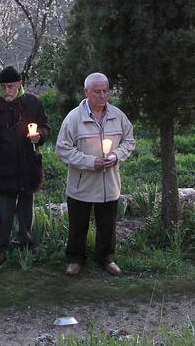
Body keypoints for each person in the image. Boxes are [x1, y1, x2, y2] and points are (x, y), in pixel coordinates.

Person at [55, 72, 136, 277]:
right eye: (97, 91)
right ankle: (75, 259)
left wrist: (116, 156)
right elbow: (63, 149)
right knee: (78, 225)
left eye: (106, 91)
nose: (102, 95)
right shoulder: (74, 118)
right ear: (86, 92)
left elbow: (129, 141)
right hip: (81, 185)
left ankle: (106, 258)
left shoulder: (118, 116)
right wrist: (91, 162)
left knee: (107, 225)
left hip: (109, 184)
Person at [0, 66, 49, 265]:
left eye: (11, 86)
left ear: (20, 85)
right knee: (4, 212)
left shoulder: (33, 103)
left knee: (26, 210)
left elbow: (45, 127)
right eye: (4, 86)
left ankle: (25, 241)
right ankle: (0, 246)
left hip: (28, 168)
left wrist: (39, 135)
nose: (7, 90)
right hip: (3, 171)